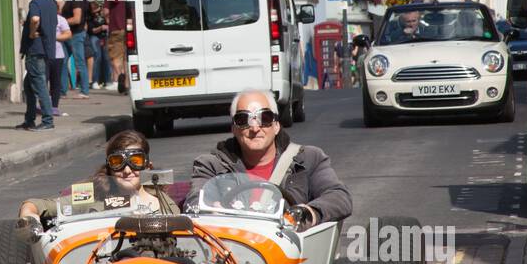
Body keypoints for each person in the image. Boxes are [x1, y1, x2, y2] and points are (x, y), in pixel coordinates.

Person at [190, 88, 352, 227]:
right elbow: (194, 203)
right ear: (233, 128)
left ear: (276, 126)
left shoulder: (309, 158)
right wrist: (211, 210)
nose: (254, 127)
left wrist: (307, 213)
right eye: (243, 119)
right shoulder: (211, 165)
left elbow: (339, 197)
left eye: (265, 118)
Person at [18, 129, 180, 224]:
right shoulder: (93, 192)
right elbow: (40, 204)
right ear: (109, 167)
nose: (127, 170)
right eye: (118, 162)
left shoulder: (163, 201)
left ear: (147, 166)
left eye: (135, 161)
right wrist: (29, 213)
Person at [17, 0, 57, 130]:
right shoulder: (51, 3)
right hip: (46, 49)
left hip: (36, 50)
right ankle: (29, 120)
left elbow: (35, 19)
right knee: (28, 86)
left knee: (40, 86)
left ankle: (48, 120)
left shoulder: (35, 3)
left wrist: (32, 32)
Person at [48, 0, 73, 116]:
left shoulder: (60, 19)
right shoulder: (42, 19)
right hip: (44, 54)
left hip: (57, 55)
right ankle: (44, 104)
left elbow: (68, 34)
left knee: (55, 82)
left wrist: (55, 38)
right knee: (43, 80)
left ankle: (54, 106)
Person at [65, 0, 90, 97]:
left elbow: (77, 19)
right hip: (72, 34)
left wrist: (60, 21)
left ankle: (84, 91)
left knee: (79, 62)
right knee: (62, 60)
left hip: (75, 34)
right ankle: (62, 91)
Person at [105, 0, 127, 93]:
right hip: (129, 28)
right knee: (125, 57)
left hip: (115, 29)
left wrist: (108, 20)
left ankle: (120, 76)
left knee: (115, 57)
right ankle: (127, 82)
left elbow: (106, 11)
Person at [86, 0, 110, 88]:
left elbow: (109, 23)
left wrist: (106, 18)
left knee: (107, 58)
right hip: (94, 36)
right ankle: (95, 81)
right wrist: (100, 28)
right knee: (97, 57)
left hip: (105, 36)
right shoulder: (89, 16)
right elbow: (91, 30)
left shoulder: (103, 13)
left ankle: (108, 81)